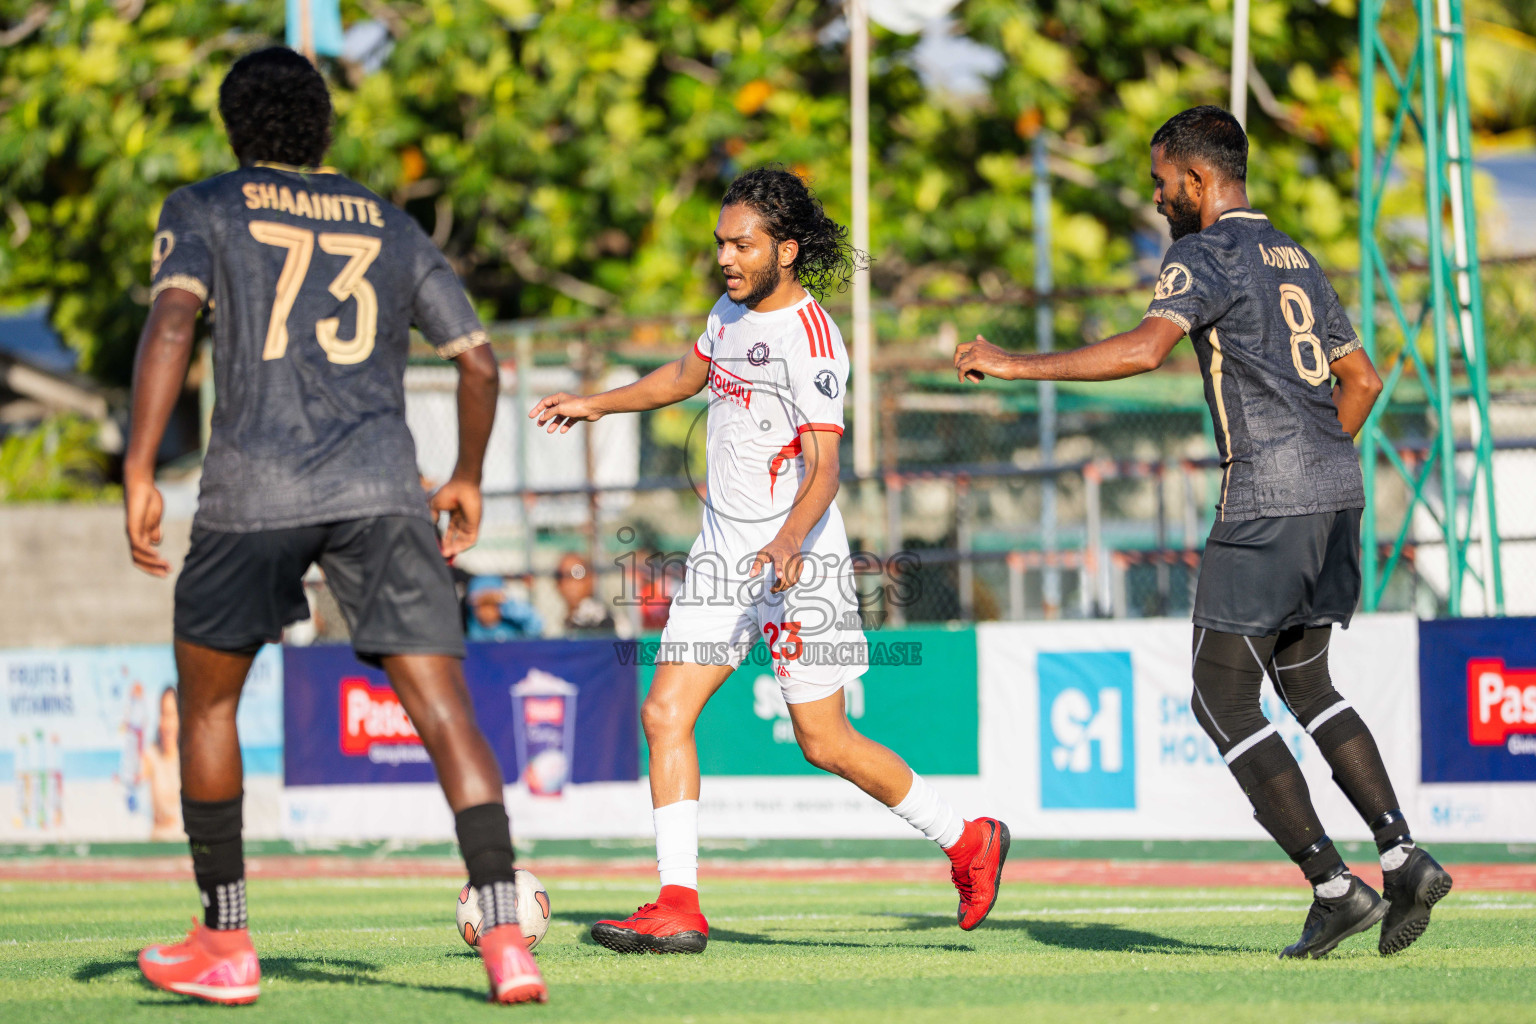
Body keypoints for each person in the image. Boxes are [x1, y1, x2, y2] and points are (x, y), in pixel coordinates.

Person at [953, 105, 1451, 959]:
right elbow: (1361, 380)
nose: (1156, 200)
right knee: (1309, 687)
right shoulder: (1293, 253)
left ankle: (1335, 888)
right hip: (1337, 494)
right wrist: (1318, 464)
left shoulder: (1204, 252)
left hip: (1267, 499)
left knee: (1219, 701)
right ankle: (1402, 855)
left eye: (1159, 183)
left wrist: (1011, 363)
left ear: (1195, 179)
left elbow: (1145, 352)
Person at [123, 48, 545, 1005]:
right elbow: (478, 363)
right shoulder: (389, 223)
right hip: (384, 491)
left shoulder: (206, 207)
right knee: (446, 713)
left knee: (209, 707)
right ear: (325, 129)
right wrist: (468, 477)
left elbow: (173, 327)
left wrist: (141, 466)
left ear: (235, 130)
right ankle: (508, 936)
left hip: (250, 492)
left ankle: (226, 943)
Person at [532, 166, 1009, 955]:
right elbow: (685, 376)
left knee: (825, 743)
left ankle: (968, 840)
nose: (725, 256)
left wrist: (786, 544)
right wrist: (597, 403)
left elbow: (827, 469)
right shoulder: (728, 312)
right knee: (665, 713)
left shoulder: (814, 339)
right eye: (721, 242)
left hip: (800, 563)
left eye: (741, 243)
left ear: (785, 250)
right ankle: (678, 901)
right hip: (723, 556)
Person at [142, 685, 182, 842]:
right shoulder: (151, 756)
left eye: (171, 715)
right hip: (158, 844)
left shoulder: (189, 758)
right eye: (162, 714)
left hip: (185, 846)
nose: (165, 723)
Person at [554, 552, 619, 637]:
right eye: (561, 576)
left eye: (577, 573)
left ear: (590, 579)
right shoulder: (559, 620)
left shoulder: (598, 618)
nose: (568, 582)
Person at [466, 575, 544, 642]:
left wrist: (507, 607)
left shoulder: (511, 625)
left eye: (492, 605)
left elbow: (535, 624)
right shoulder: (471, 627)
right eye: (482, 606)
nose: (487, 611)